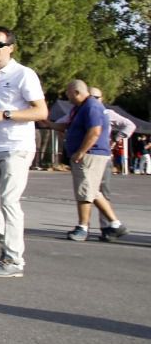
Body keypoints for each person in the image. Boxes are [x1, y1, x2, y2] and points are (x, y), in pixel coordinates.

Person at [0, 26, 48, 278]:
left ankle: (13, 260)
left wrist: (5, 114)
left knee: (9, 199)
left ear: (11, 47)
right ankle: (10, 246)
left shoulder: (24, 75)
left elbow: (41, 112)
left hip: (18, 146)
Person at [60, 80, 128, 242]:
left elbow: (95, 131)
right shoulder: (81, 108)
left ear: (77, 92)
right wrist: (49, 124)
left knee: (84, 191)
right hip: (92, 154)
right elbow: (69, 127)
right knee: (93, 191)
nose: (67, 96)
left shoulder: (91, 107)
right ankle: (116, 224)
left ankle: (82, 227)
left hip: (90, 154)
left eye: (68, 93)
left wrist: (80, 152)